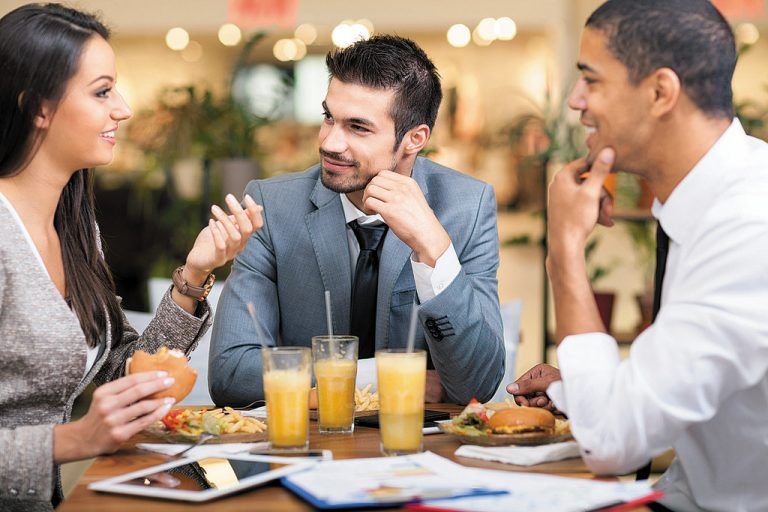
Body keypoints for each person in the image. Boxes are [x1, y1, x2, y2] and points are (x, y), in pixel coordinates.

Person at [0, 4, 263, 511]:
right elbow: (84, 428)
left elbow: (124, 371)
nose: (123, 108)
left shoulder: (74, 228)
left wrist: (195, 273)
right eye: (102, 91)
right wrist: (75, 440)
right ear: (37, 106)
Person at [507, 1, 768, 510]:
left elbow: (611, 441)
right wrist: (580, 389)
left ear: (659, 92)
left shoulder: (747, 224)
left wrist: (564, 251)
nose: (575, 103)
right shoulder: (713, 198)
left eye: (591, 80)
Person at [210, 35, 504, 406]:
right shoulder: (273, 206)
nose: (331, 143)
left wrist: (434, 249)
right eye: (329, 118)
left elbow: (478, 384)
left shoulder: (467, 207)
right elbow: (231, 374)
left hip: (421, 455)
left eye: (358, 127)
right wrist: (380, 377)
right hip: (305, 448)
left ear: (414, 139)